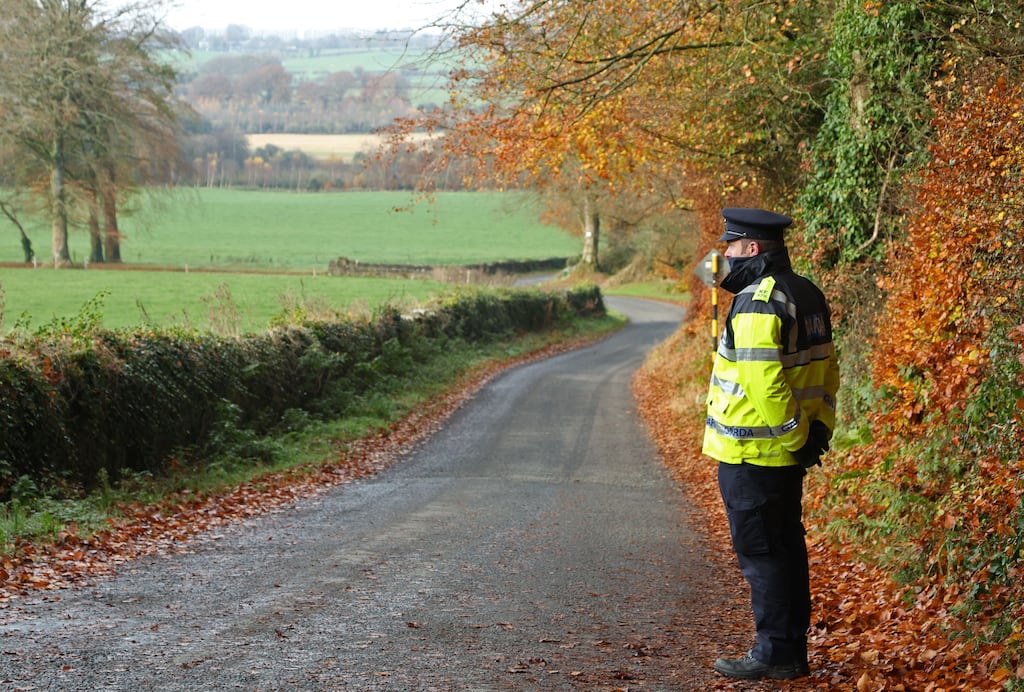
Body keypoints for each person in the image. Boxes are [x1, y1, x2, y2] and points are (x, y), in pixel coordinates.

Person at [702, 207, 840, 680]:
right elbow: (827, 371)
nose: (727, 255)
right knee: (785, 550)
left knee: (763, 556)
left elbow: (765, 384)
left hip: (753, 455)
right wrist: (818, 430)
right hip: (786, 455)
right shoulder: (807, 292)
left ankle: (775, 654)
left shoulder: (759, 300)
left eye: (732, 247)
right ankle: (789, 650)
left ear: (753, 249)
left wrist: (796, 435)